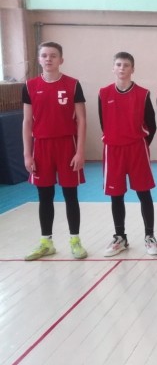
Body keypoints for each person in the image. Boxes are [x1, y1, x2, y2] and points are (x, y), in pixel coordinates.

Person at [22, 41, 88, 261]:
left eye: (53, 55)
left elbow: (81, 120)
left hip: (67, 145)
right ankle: (46, 242)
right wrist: (27, 154)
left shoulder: (73, 84)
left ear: (61, 59)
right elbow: (27, 122)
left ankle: (75, 241)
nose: (48, 59)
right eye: (44, 55)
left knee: (71, 195)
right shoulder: (30, 86)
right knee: (44, 196)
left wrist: (80, 151)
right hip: (41, 146)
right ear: (39, 59)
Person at [99, 52, 157, 257]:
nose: (122, 68)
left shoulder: (143, 94)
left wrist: (140, 143)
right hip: (113, 150)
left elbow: (151, 125)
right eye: (118, 64)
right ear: (113, 68)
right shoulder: (104, 93)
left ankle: (149, 236)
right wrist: (115, 137)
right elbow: (104, 122)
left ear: (132, 69)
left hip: (136, 149)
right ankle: (120, 237)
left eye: (126, 65)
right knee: (116, 195)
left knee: (144, 193)